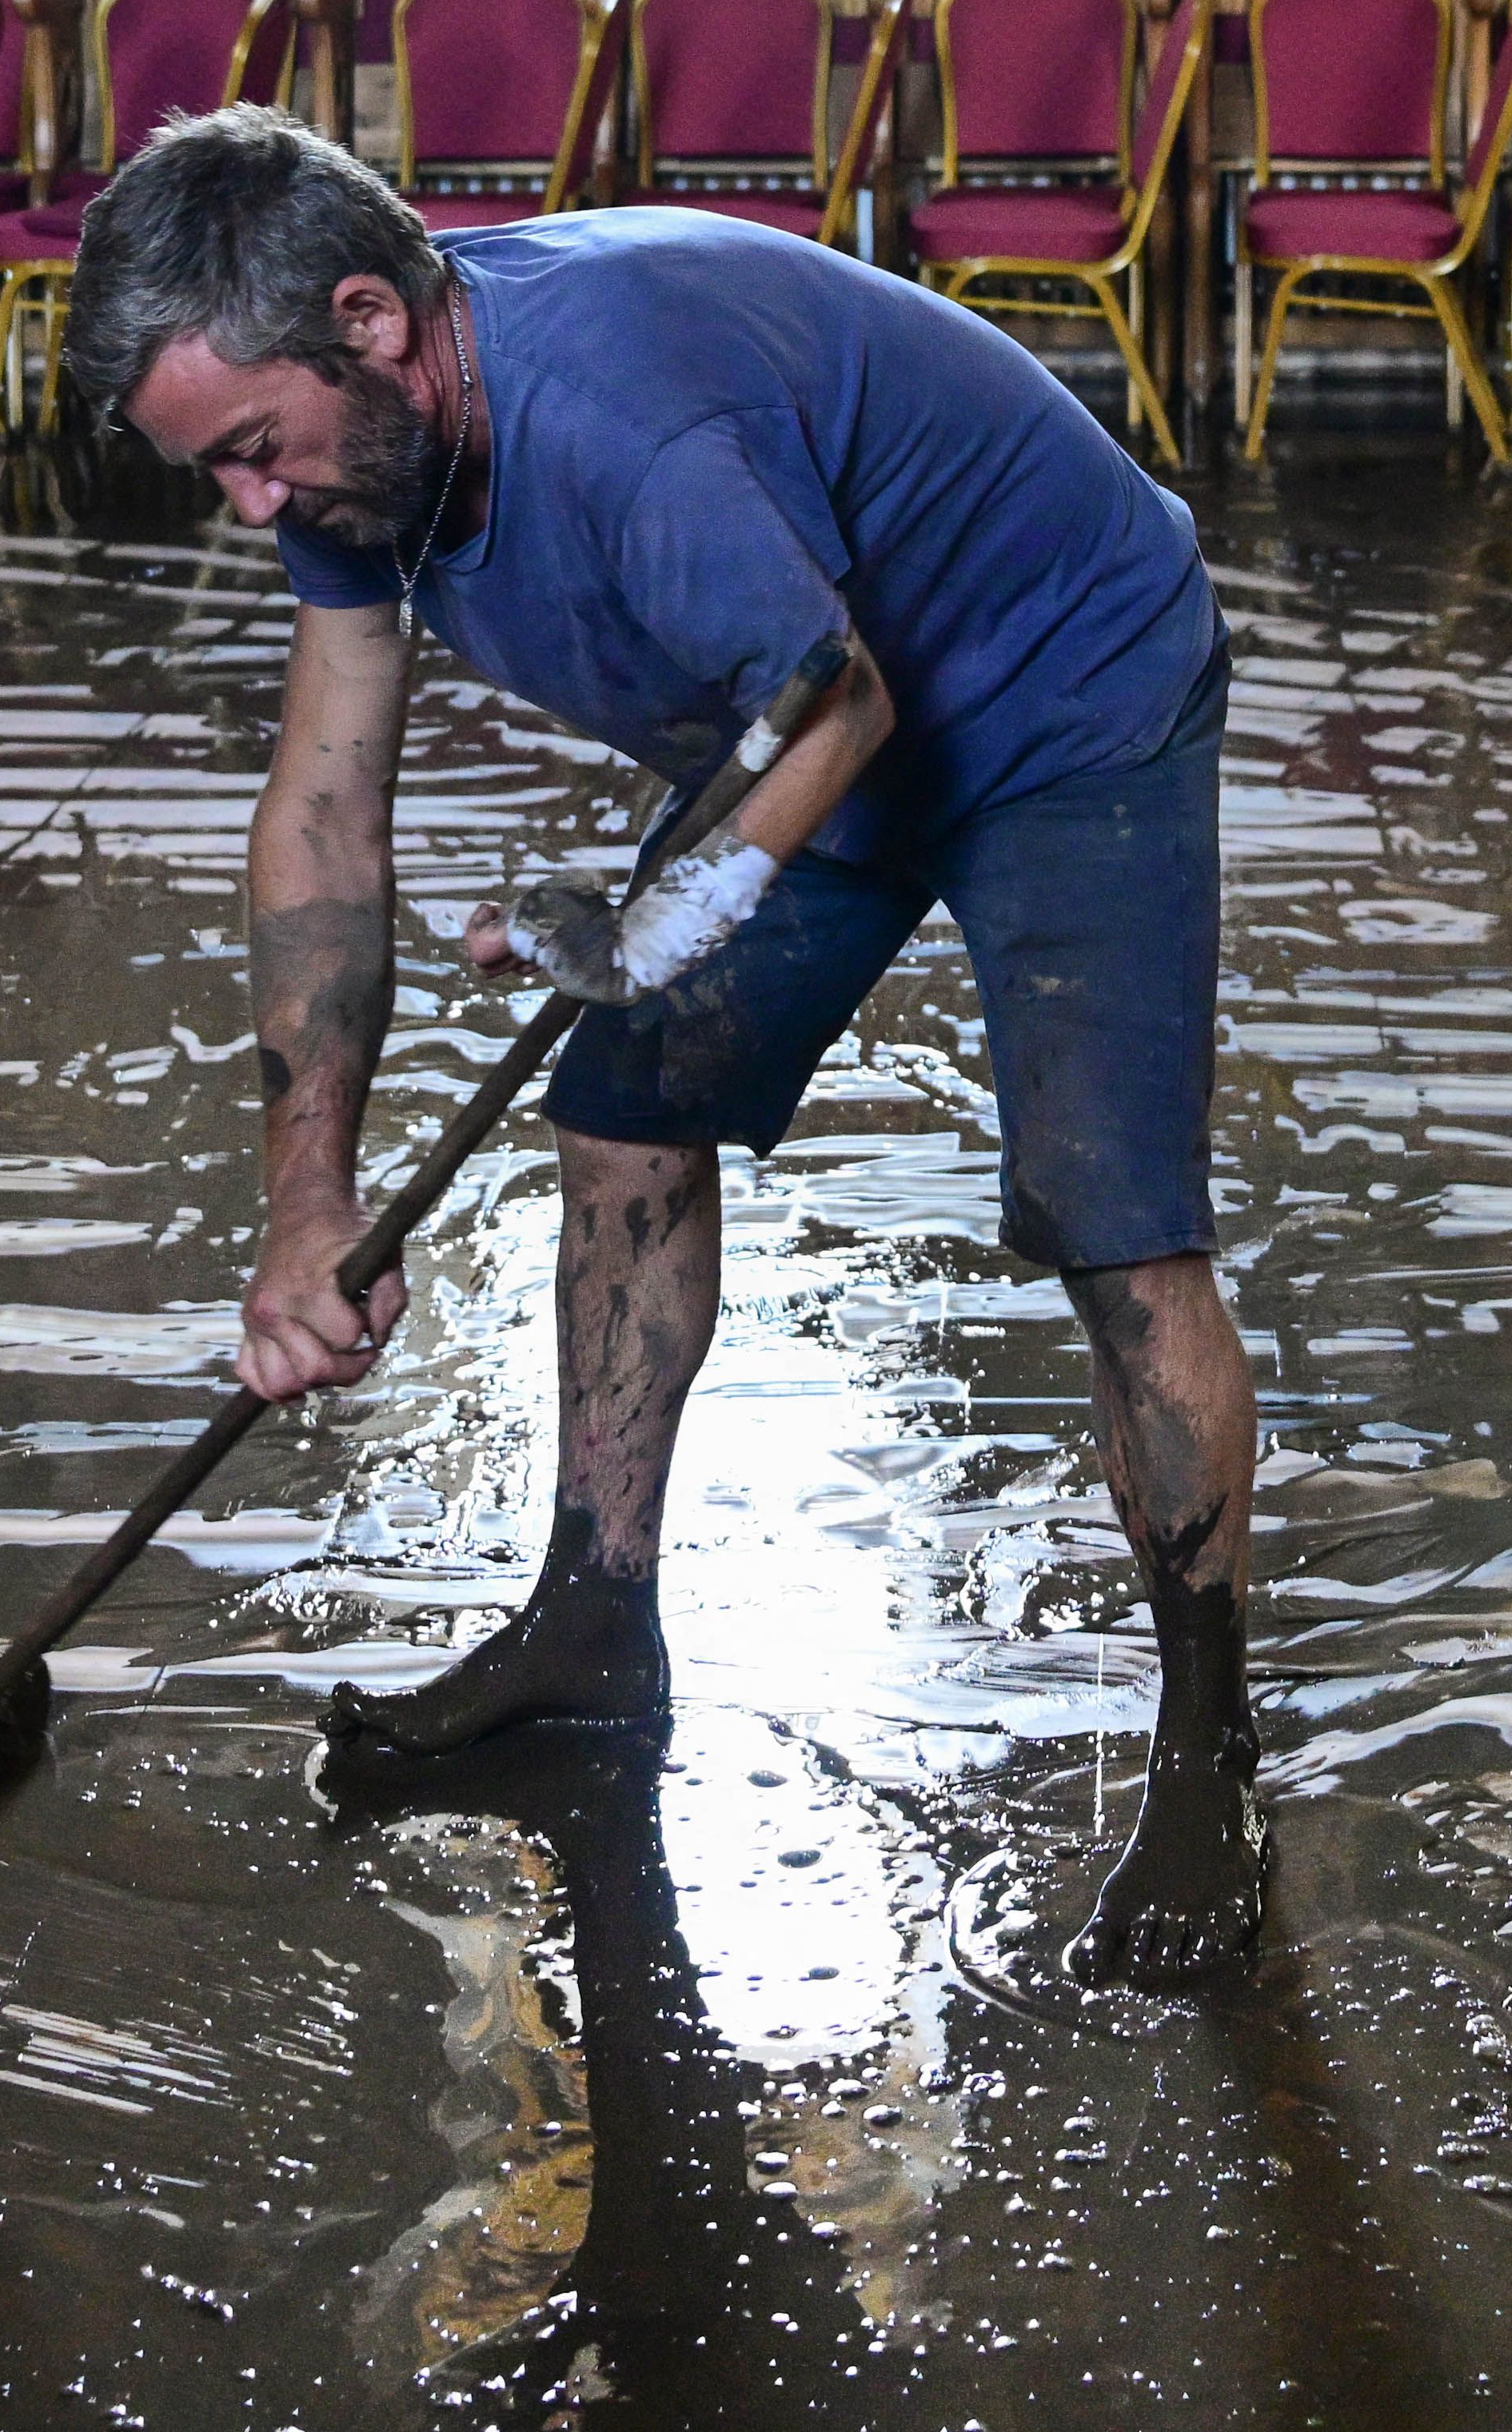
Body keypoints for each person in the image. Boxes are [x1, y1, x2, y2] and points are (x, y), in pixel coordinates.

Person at [71, 113, 1264, 1990]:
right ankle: (593, 1615)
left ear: (371, 321)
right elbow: (322, 809)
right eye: (216, 468)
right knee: (619, 1113)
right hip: (806, 697)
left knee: (1111, 1221)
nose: (251, 508)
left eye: (252, 452)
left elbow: (839, 695)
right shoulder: (362, 457)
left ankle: (1211, 1752)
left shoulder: (617, 427)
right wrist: (305, 1198)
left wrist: (657, 926)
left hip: (1060, 687)